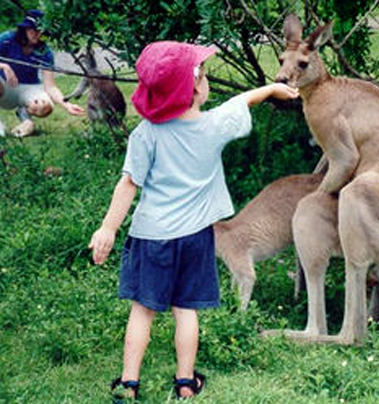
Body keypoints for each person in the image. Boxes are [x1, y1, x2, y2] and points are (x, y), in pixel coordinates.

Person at [88, 41, 299, 400]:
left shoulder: (145, 133)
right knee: (186, 310)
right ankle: (185, 383)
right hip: (196, 238)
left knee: (142, 311)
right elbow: (243, 101)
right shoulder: (213, 126)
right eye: (203, 75)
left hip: (152, 237)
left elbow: (129, 184)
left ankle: (129, 384)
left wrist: (108, 228)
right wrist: (272, 89)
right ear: (196, 88)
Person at [0, 9, 85, 137]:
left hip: (30, 88)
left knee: (46, 107)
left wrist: (66, 105)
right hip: (4, 87)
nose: (37, 34)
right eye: (32, 30)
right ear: (25, 29)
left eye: (40, 31)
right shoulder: (7, 39)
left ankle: (25, 115)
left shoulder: (45, 51)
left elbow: (50, 86)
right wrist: (4, 66)